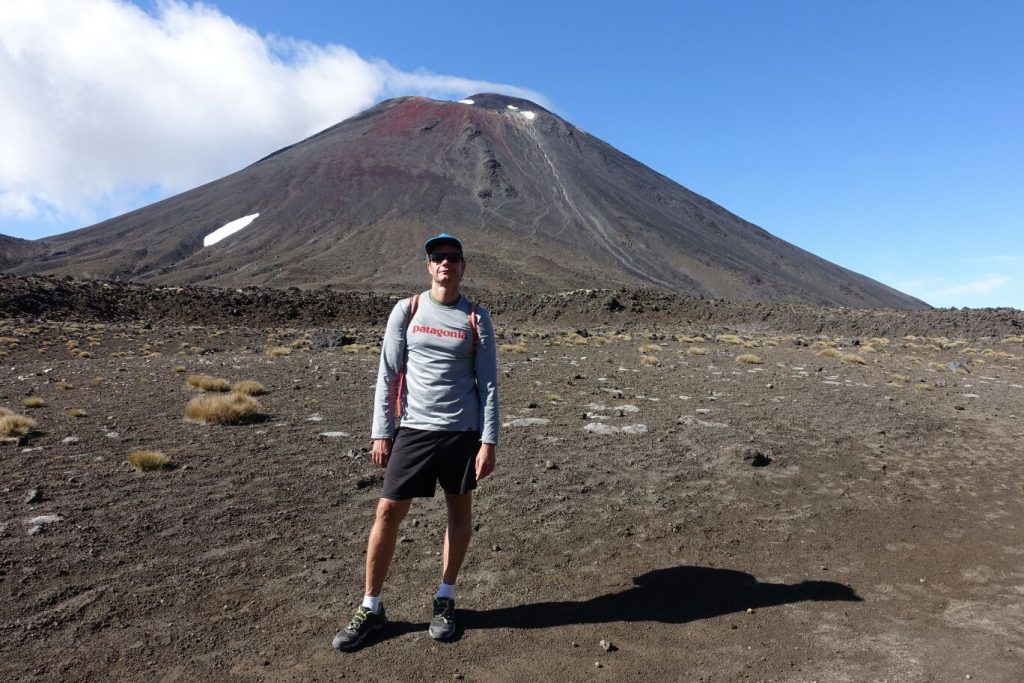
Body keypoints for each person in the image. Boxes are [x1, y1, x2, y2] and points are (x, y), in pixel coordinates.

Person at [332, 232, 500, 651]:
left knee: (459, 511)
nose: (445, 263)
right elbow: (387, 374)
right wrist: (381, 431)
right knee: (388, 511)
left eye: (453, 257)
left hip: (461, 432)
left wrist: (489, 441)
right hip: (414, 430)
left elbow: (491, 385)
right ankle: (371, 606)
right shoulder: (406, 311)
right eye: (438, 257)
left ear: (463, 267)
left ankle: (446, 597)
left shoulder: (476, 318)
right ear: (429, 266)